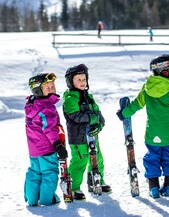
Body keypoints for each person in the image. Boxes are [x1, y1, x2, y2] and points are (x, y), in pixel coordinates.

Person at [116, 54, 169, 198]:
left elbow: (136, 104)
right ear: (165, 71)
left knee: (152, 158)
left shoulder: (147, 87)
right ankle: (168, 186)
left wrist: (124, 113)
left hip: (152, 135)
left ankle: (154, 188)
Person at [63, 64, 111, 200]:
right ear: (70, 82)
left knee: (98, 159)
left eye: (84, 79)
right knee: (80, 161)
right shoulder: (70, 98)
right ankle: (73, 188)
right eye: (78, 80)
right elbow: (74, 115)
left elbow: (99, 115)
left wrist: (99, 125)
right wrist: (92, 118)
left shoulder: (89, 97)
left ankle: (95, 181)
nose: (82, 82)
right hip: (78, 138)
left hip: (92, 136)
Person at [24, 73, 68, 206]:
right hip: (47, 148)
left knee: (35, 173)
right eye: (47, 87)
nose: (51, 89)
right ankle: (46, 201)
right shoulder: (47, 107)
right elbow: (49, 128)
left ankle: (32, 200)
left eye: (52, 86)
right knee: (49, 173)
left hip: (34, 150)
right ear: (38, 90)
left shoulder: (31, 106)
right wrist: (58, 145)